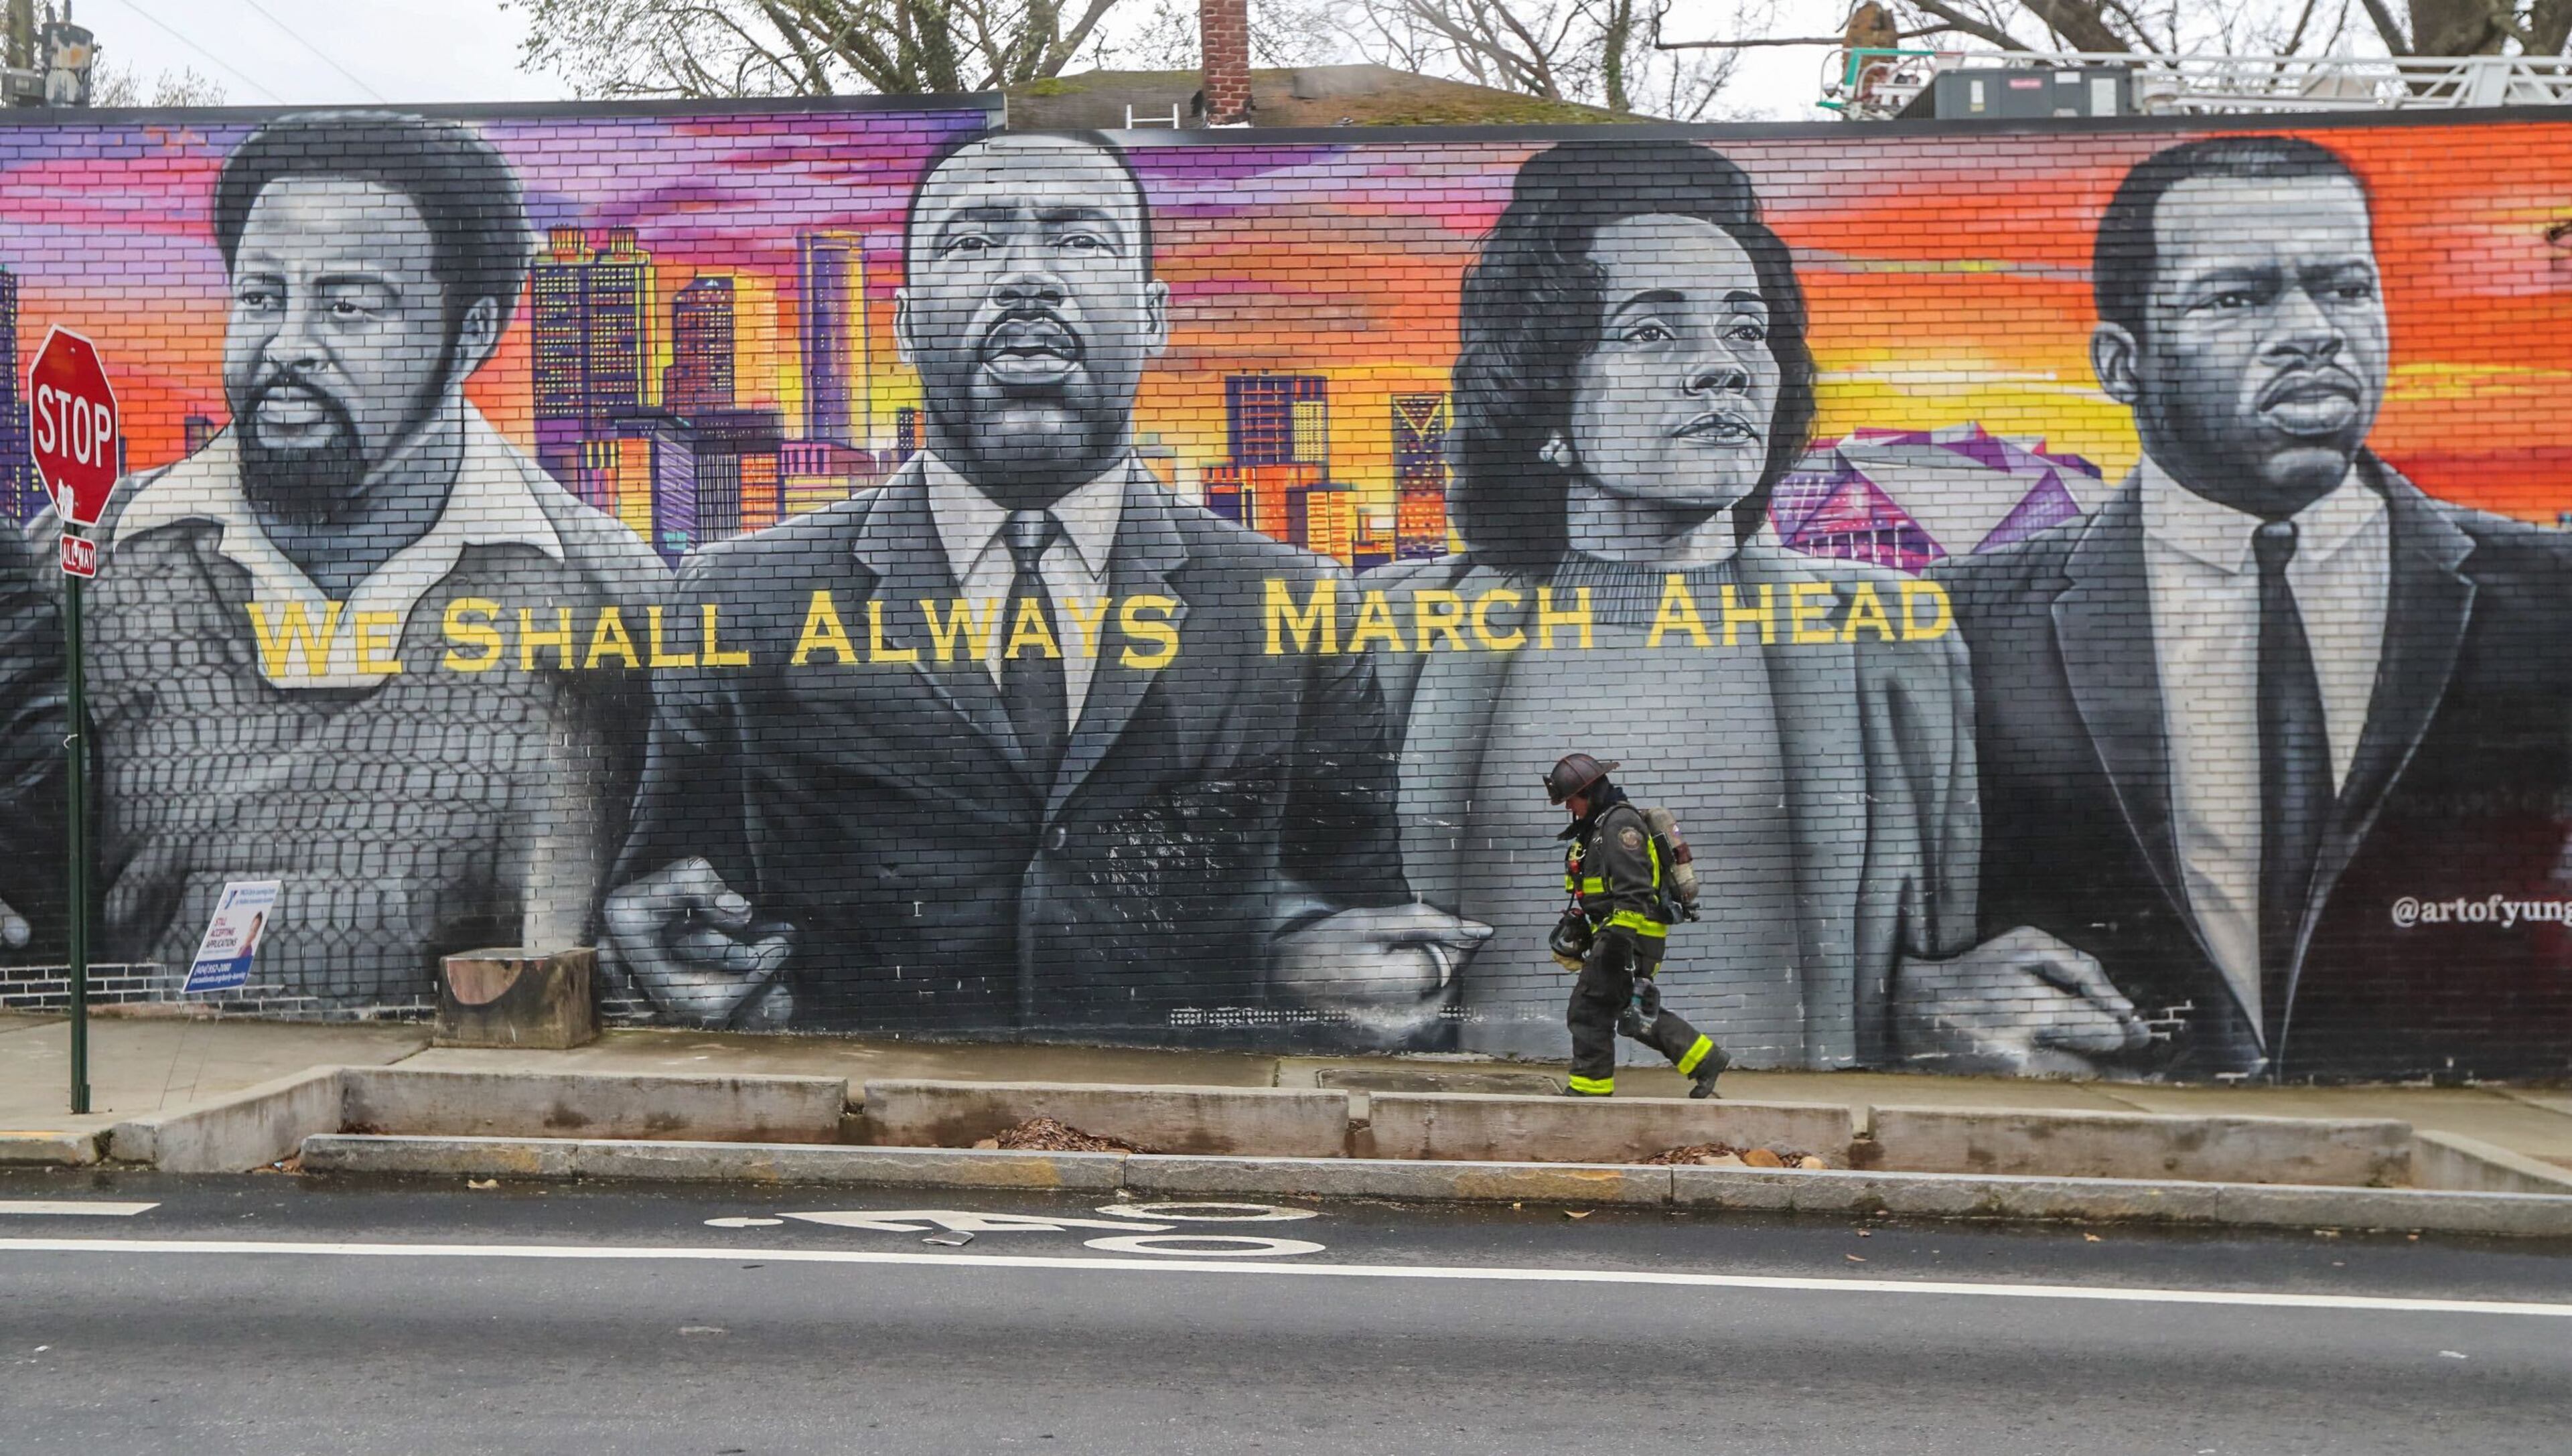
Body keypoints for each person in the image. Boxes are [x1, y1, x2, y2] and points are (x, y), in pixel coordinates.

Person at [605, 131, 1486, 1041]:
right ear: (905, 325)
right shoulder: (742, 594)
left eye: (1080, 238)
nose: (1026, 277)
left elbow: (1354, 905)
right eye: (973, 241)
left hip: (1180, 1137)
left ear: (1152, 316)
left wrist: (1329, 961)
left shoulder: (1293, 601)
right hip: (863, 1126)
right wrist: (657, 952)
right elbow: (667, 893)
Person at [1937, 135, 2572, 1080]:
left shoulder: (2550, 593)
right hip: (2118, 1147)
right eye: (2238, 296)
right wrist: (1915, 994)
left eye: (2347, 286)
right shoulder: (1971, 622)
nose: (2315, 328)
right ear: (2122, 363)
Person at [1372, 139, 1989, 1069]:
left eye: (1747, 329)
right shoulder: (1389, 630)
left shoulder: (1891, 637)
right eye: (1653, 332)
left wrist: (1946, 1007)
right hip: (1479, 1132)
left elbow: (1939, 947)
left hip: (1795, 1151)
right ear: (1545, 400)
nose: (1725, 368)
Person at [32, 111, 663, 1006]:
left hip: (472, 1105)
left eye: (347, 304)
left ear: (472, 333)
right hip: (158, 1077)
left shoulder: (610, 596)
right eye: (260, 297)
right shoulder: (83, 560)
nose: (287, 345)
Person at [1546, 753, 1725, 1098]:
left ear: (1589, 792)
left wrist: (1616, 942)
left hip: (1630, 938)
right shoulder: (1599, 827)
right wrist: (1582, 926)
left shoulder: (1619, 825)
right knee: (1629, 1010)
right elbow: (1603, 892)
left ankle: (1590, 1090)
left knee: (1587, 1009)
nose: (1570, 808)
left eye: (1572, 799)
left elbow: (1634, 889)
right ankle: (1705, 1060)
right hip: (1622, 935)